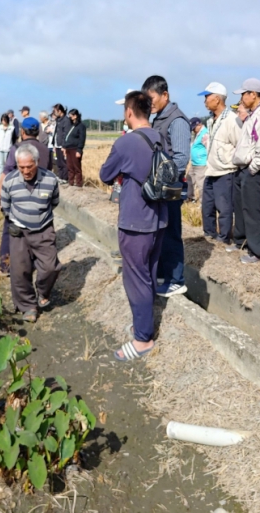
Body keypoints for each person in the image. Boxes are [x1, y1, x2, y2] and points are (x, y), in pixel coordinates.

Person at [99, 91, 168, 361]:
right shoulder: (159, 136)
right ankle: (144, 325)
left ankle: (142, 340)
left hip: (135, 221)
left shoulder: (125, 143)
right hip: (159, 218)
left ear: (129, 112)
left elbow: (105, 175)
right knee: (149, 273)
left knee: (135, 279)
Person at [1, 143, 61, 323]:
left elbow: (54, 202)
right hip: (19, 230)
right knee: (20, 270)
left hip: (43, 229)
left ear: (37, 162)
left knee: (51, 267)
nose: (25, 171)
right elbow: (5, 205)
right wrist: (13, 221)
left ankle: (43, 291)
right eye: (21, 167)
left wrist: (39, 217)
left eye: (29, 166)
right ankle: (28, 306)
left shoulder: (50, 180)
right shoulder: (10, 181)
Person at [142, 75, 190, 298]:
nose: (148, 104)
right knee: (161, 232)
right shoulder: (158, 118)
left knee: (171, 233)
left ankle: (176, 280)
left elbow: (180, 159)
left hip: (169, 190)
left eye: (151, 99)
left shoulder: (177, 121)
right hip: (159, 189)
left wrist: (160, 179)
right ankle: (162, 274)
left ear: (165, 95)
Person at [0, 117, 51, 274]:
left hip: (18, 197)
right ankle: (31, 265)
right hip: (40, 199)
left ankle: (6, 266)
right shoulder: (46, 150)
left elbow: (6, 173)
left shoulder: (17, 148)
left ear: (22, 132)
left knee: (10, 230)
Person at [231, 78, 260, 263]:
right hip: (243, 169)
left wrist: (252, 169)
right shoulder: (253, 114)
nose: (241, 98)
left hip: (252, 171)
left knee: (253, 210)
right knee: (241, 208)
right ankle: (242, 242)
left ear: (253, 95)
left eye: (243, 94)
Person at [200, 82, 239, 245]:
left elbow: (239, 144)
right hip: (211, 170)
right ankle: (209, 233)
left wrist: (227, 160)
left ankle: (224, 238)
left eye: (206, 97)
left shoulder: (232, 120)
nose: (204, 101)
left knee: (224, 208)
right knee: (207, 206)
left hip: (225, 171)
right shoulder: (210, 121)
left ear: (217, 99)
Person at [62, 108, 86, 187]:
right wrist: (64, 147)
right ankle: (71, 182)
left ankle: (79, 183)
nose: (70, 117)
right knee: (70, 166)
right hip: (68, 148)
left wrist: (79, 150)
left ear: (75, 116)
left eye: (71, 115)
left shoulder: (81, 126)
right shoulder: (71, 125)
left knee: (77, 167)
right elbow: (66, 136)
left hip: (75, 149)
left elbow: (82, 138)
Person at [187, 117, 208, 203]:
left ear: (199, 125)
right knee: (189, 179)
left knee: (201, 183)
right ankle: (190, 197)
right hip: (194, 163)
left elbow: (208, 148)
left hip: (201, 163)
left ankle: (204, 202)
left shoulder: (205, 134)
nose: (193, 130)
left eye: (194, 128)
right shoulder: (198, 134)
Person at [52, 104, 71, 183]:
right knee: (58, 162)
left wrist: (64, 145)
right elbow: (56, 133)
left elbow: (65, 134)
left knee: (63, 162)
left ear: (60, 111)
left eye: (55, 111)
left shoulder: (66, 120)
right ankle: (60, 177)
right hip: (57, 144)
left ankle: (65, 178)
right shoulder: (58, 120)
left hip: (62, 145)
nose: (54, 113)